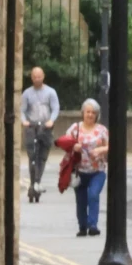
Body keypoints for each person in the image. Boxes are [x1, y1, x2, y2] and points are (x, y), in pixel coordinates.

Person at [58, 96, 109, 237]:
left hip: (97, 171)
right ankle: (82, 226)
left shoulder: (102, 130)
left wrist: (100, 150)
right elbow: (64, 142)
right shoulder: (75, 128)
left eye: (93, 113)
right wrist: (74, 146)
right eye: (88, 112)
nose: (90, 115)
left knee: (93, 195)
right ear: (83, 113)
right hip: (79, 172)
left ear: (97, 115)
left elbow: (110, 146)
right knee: (81, 200)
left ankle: (93, 225)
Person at [19, 64, 60, 203]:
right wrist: (24, 121)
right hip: (32, 127)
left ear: (43, 77)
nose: (37, 79)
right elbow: (22, 110)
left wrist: (51, 121)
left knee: (42, 156)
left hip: (45, 127)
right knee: (32, 156)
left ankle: (37, 181)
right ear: (31, 78)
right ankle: (33, 183)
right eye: (34, 77)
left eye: (39, 76)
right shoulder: (27, 93)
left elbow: (55, 108)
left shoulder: (50, 92)